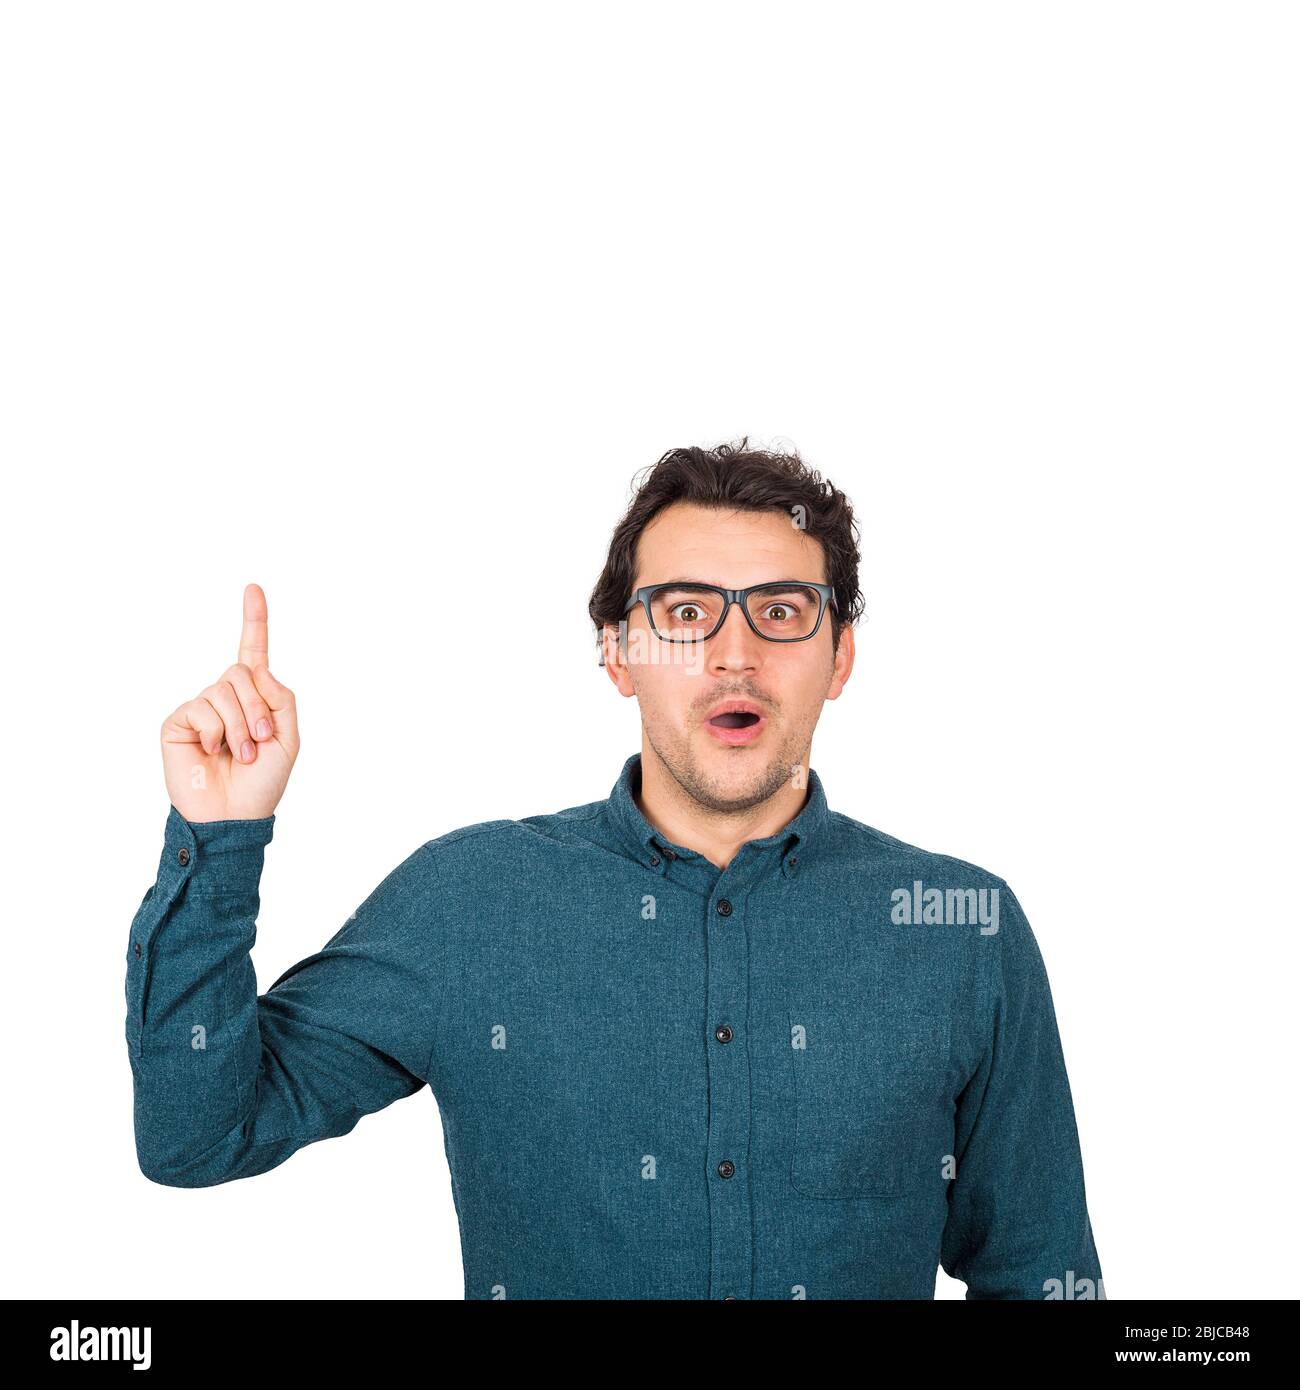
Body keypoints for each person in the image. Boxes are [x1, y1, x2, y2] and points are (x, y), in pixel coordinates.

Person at [125, 438, 1105, 1300]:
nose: (733, 655)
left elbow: (1038, 1271)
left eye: (781, 611)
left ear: (840, 655)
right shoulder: (473, 897)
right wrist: (216, 840)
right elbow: (196, 1136)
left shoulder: (961, 928)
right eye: (684, 611)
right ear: (618, 652)